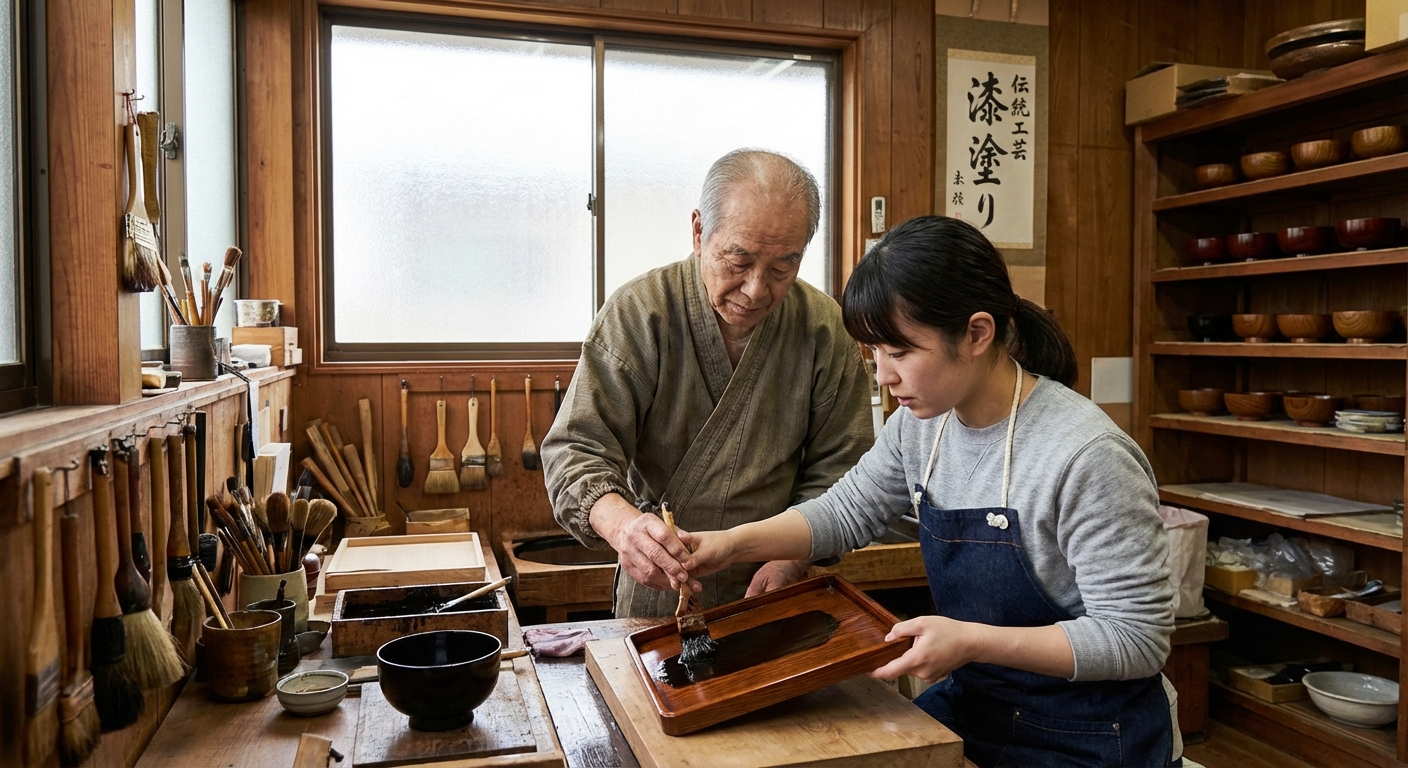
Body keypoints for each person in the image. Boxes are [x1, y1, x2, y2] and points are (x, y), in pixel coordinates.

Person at [679, 215, 1181, 767]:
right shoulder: (922, 425)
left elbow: (1136, 638)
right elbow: (847, 512)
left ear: (976, 334)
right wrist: (729, 544)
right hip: (980, 703)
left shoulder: (1085, 456)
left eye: (899, 353)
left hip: (1093, 733)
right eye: (873, 354)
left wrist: (972, 641)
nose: (883, 377)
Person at [540, 149, 874, 618]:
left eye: (782, 268)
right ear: (699, 231)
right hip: (659, 578)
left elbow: (844, 472)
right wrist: (626, 530)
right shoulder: (641, 314)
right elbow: (575, 450)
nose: (757, 289)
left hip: (773, 590)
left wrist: (792, 558)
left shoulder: (823, 329)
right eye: (738, 261)